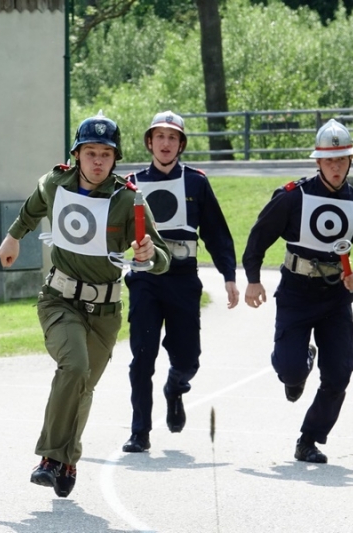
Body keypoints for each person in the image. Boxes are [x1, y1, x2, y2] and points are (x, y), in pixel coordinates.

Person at [0, 111, 170, 497]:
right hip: (60, 300)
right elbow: (33, 205)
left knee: (84, 387)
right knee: (73, 367)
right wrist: (12, 238)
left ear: (115, 158)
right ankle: (49, 458)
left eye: (105, 154)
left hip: (105, 313)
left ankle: (68, 459)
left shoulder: (128, 200)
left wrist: (147, 254)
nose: (97, 161)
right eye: (89, 152)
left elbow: (162, 255)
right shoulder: (57, 183)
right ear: (76, 154)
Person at [241, 118, 353, 463]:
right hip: (296, 293)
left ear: (350, 162)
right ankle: (299, 363)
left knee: (339, 374)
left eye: (342, 160)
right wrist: (253, 278)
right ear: (318, 161)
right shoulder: (294, 197)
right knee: (290, 371)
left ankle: (309, 439)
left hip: (336, 298)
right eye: (329, 160)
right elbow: (258, 237)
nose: (336, 167)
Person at [121, 111, 239, 453]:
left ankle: (175, 388)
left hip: (184, 280)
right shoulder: (131, 184)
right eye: (160, 137)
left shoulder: (197, 182)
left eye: (173, 138)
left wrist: (229, 275)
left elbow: (217, 233)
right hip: (145, 280)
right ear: (149, 142)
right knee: (142, 356)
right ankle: (140, 431)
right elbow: (111, 228)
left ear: (181, 144)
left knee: (188, 359)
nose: (166, 143)